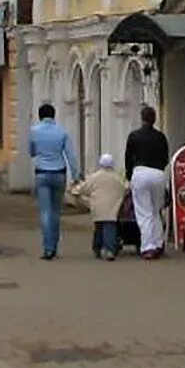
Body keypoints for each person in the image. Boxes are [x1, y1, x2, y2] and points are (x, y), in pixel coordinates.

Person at [27, 102, 77, 260]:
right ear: (54, 115)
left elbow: (31, 151)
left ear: (40, 116)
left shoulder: (34, 131)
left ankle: (48, 248)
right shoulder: (62, 132)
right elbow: (70, 155)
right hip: (59, 173)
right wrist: (76, 175)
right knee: (56, 212)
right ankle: (54, 245)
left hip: (42, 173)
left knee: (45, 211)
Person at [124, 104, 172, 260]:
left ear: (142, 118)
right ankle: (158, 243)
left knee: (144, 212)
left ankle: (148, 247)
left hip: (140, 172)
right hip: (158, 174)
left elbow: (128, 157)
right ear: (154, 119)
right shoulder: (161, 137)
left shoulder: (134, 136)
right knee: (156, 210)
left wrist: (129, 175)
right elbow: (166, 158)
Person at [70, 153, 128, 261]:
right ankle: (110, 249)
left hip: (97, 207)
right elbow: (125, 189)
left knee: (99, 228)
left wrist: (74, 191)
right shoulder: (117, 177)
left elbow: (84, 189)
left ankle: (97, 248)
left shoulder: (95, 177)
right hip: (113, 207)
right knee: (110, 227)